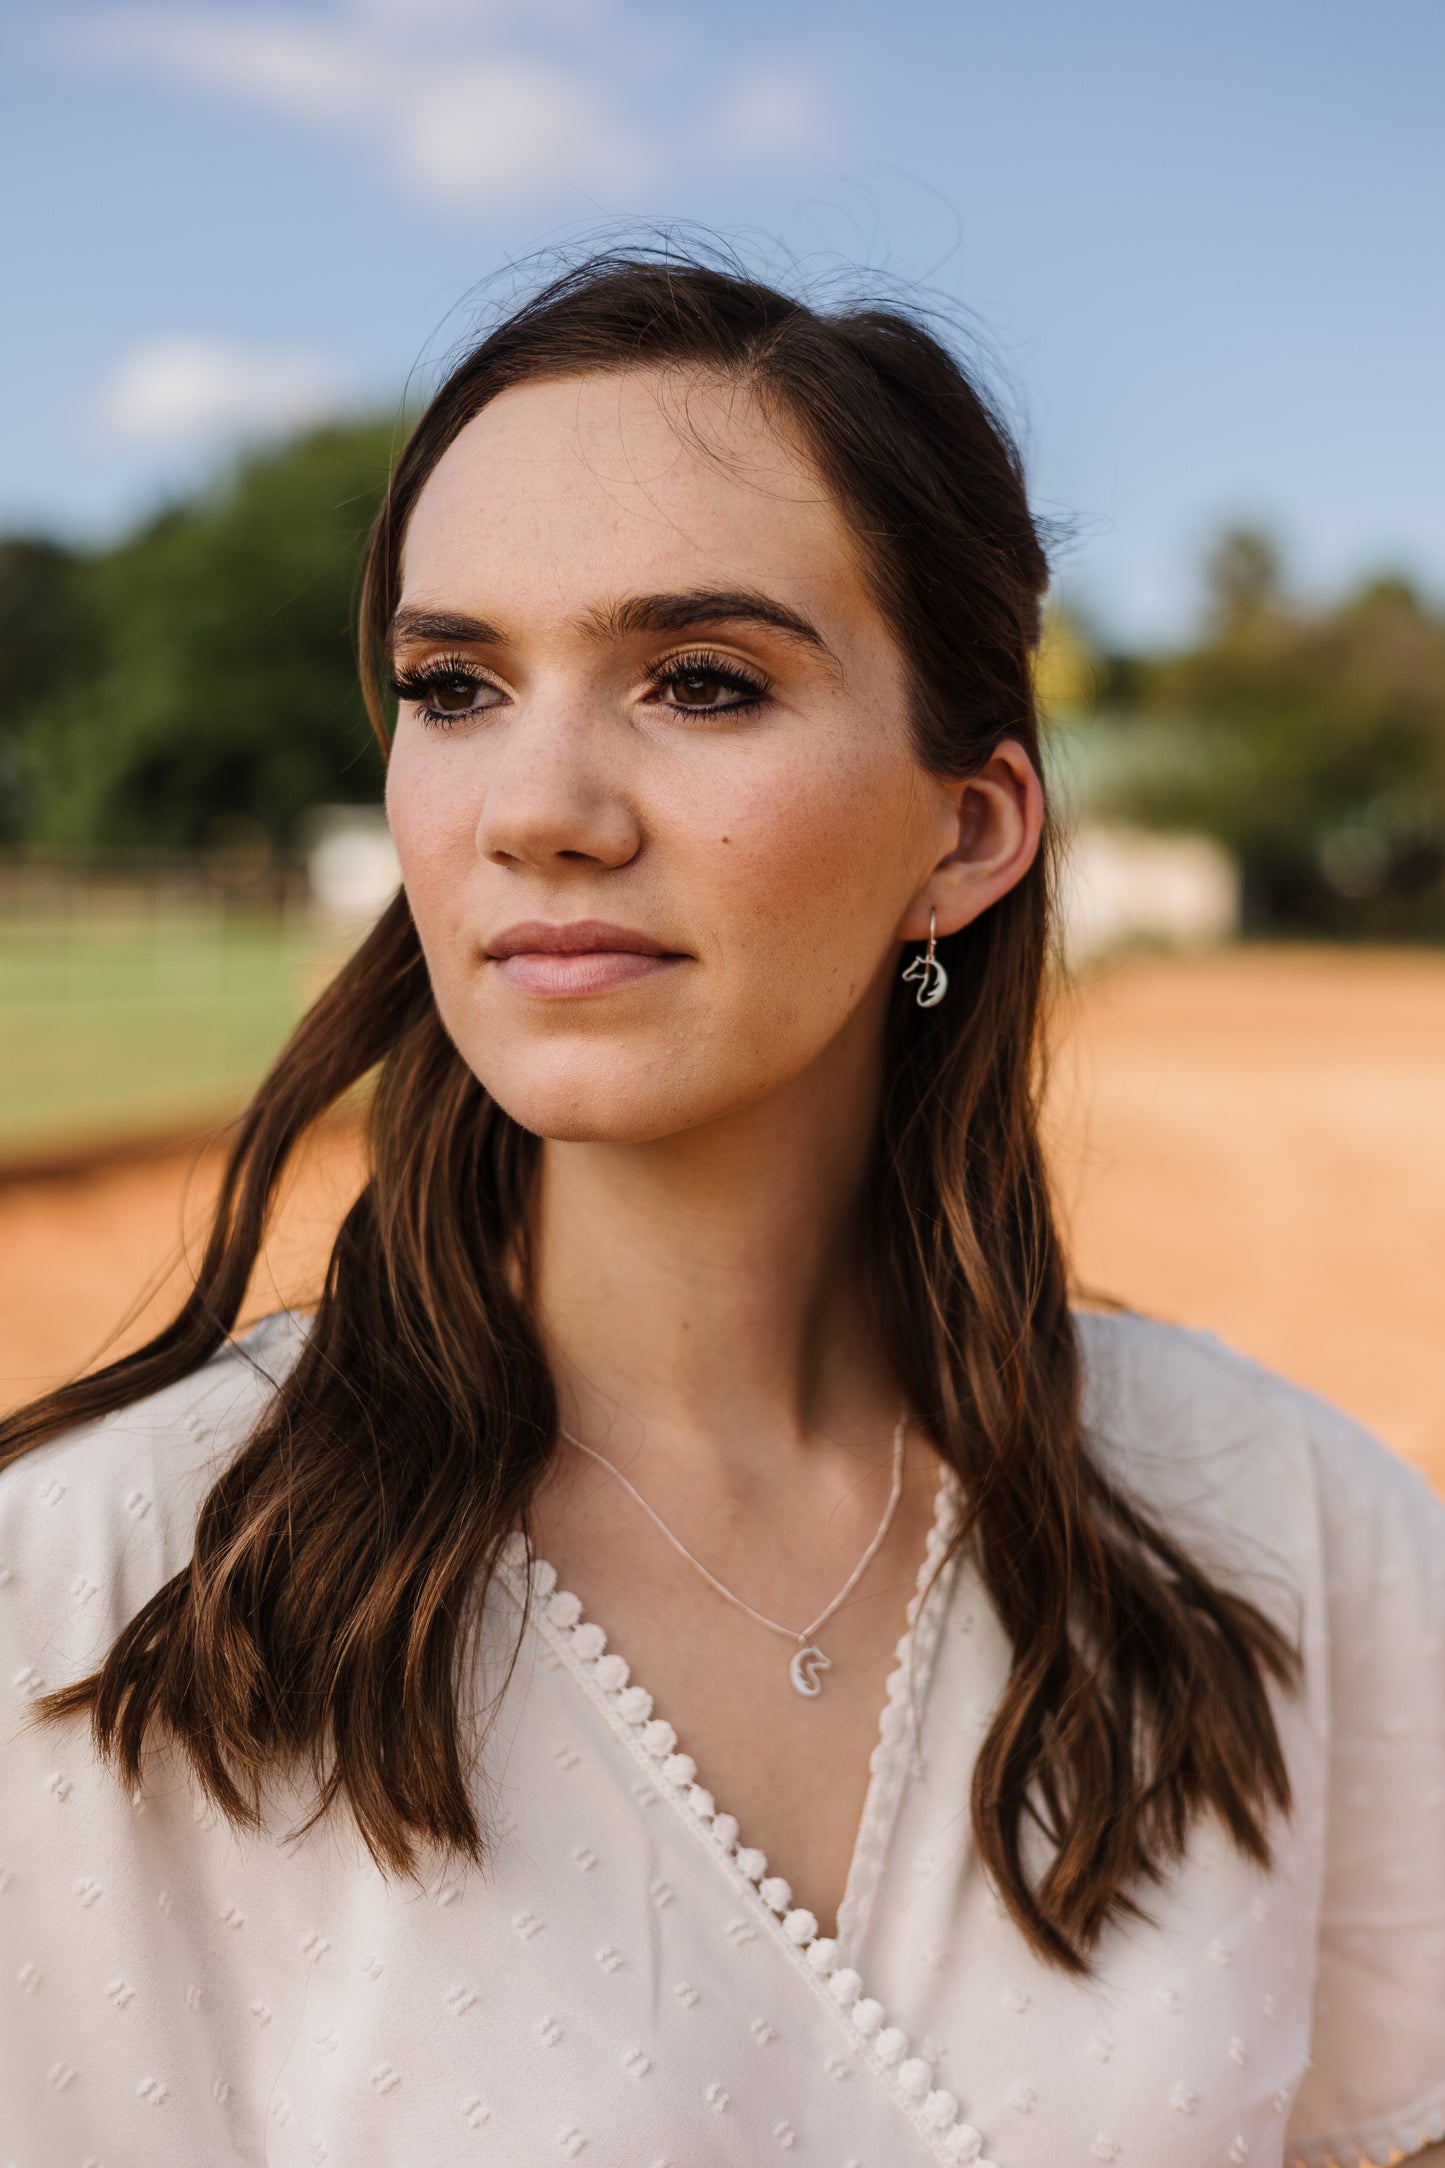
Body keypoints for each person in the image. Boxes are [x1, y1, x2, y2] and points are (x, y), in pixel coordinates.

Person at [2, 252, 1442, 2168]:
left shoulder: (1295, 1527)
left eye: (700, 681)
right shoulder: (90, 1591)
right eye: (455, 687)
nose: (538, 806)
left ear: (969, 831)